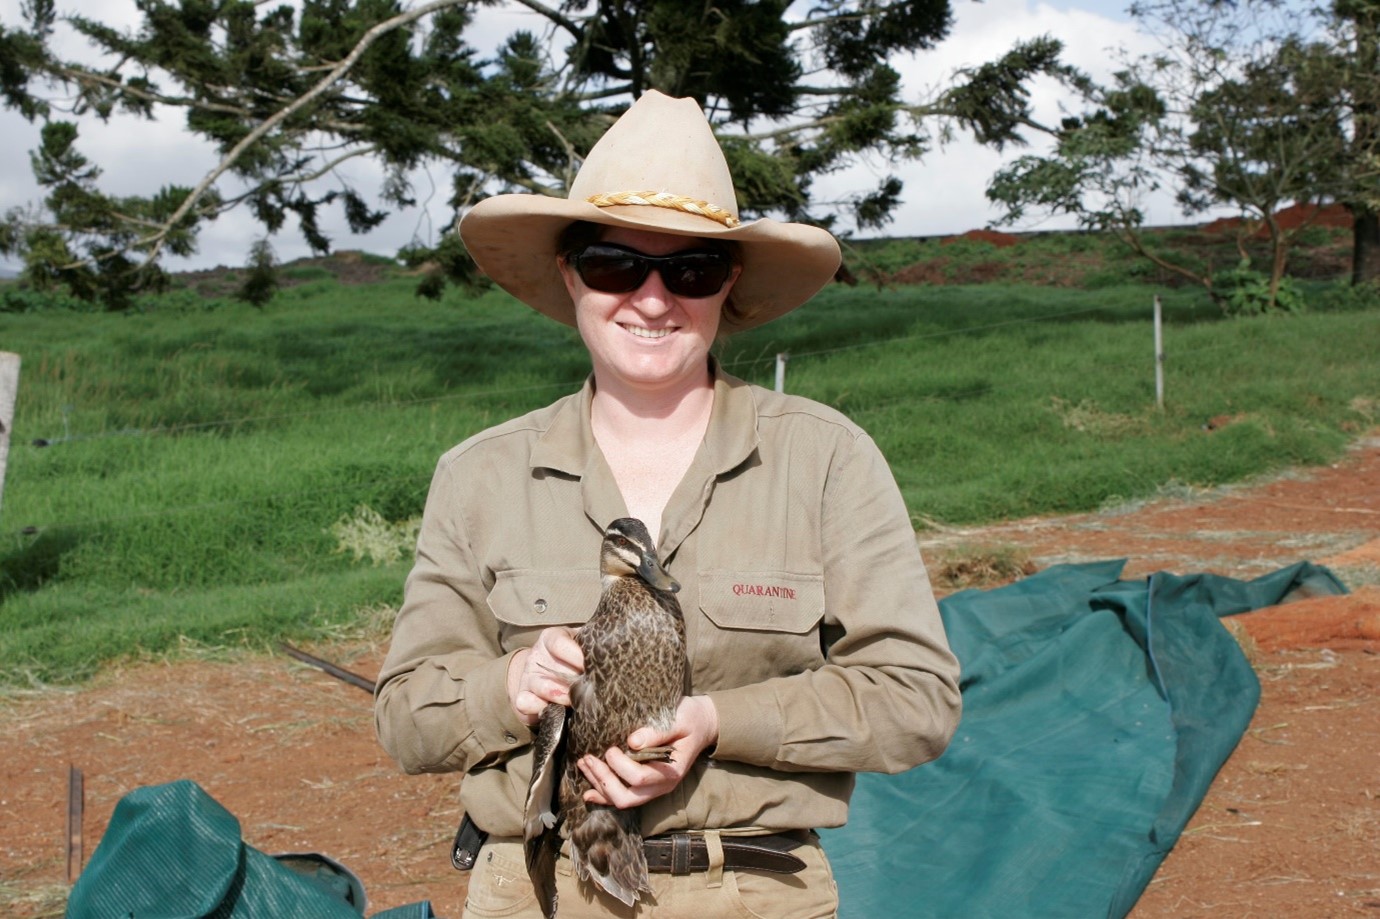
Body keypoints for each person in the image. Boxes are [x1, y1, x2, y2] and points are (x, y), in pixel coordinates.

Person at [374, 90, 961, 919]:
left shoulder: (824, 458)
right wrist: (512, 684)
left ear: (731, 285)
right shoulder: (482, 474)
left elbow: (918, 698)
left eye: (692, 269)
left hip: (753, 890)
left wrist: (720, 719)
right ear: (570, 273)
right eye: (616, 263)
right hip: (535, 889)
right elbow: (405, 718)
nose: (653, 299)